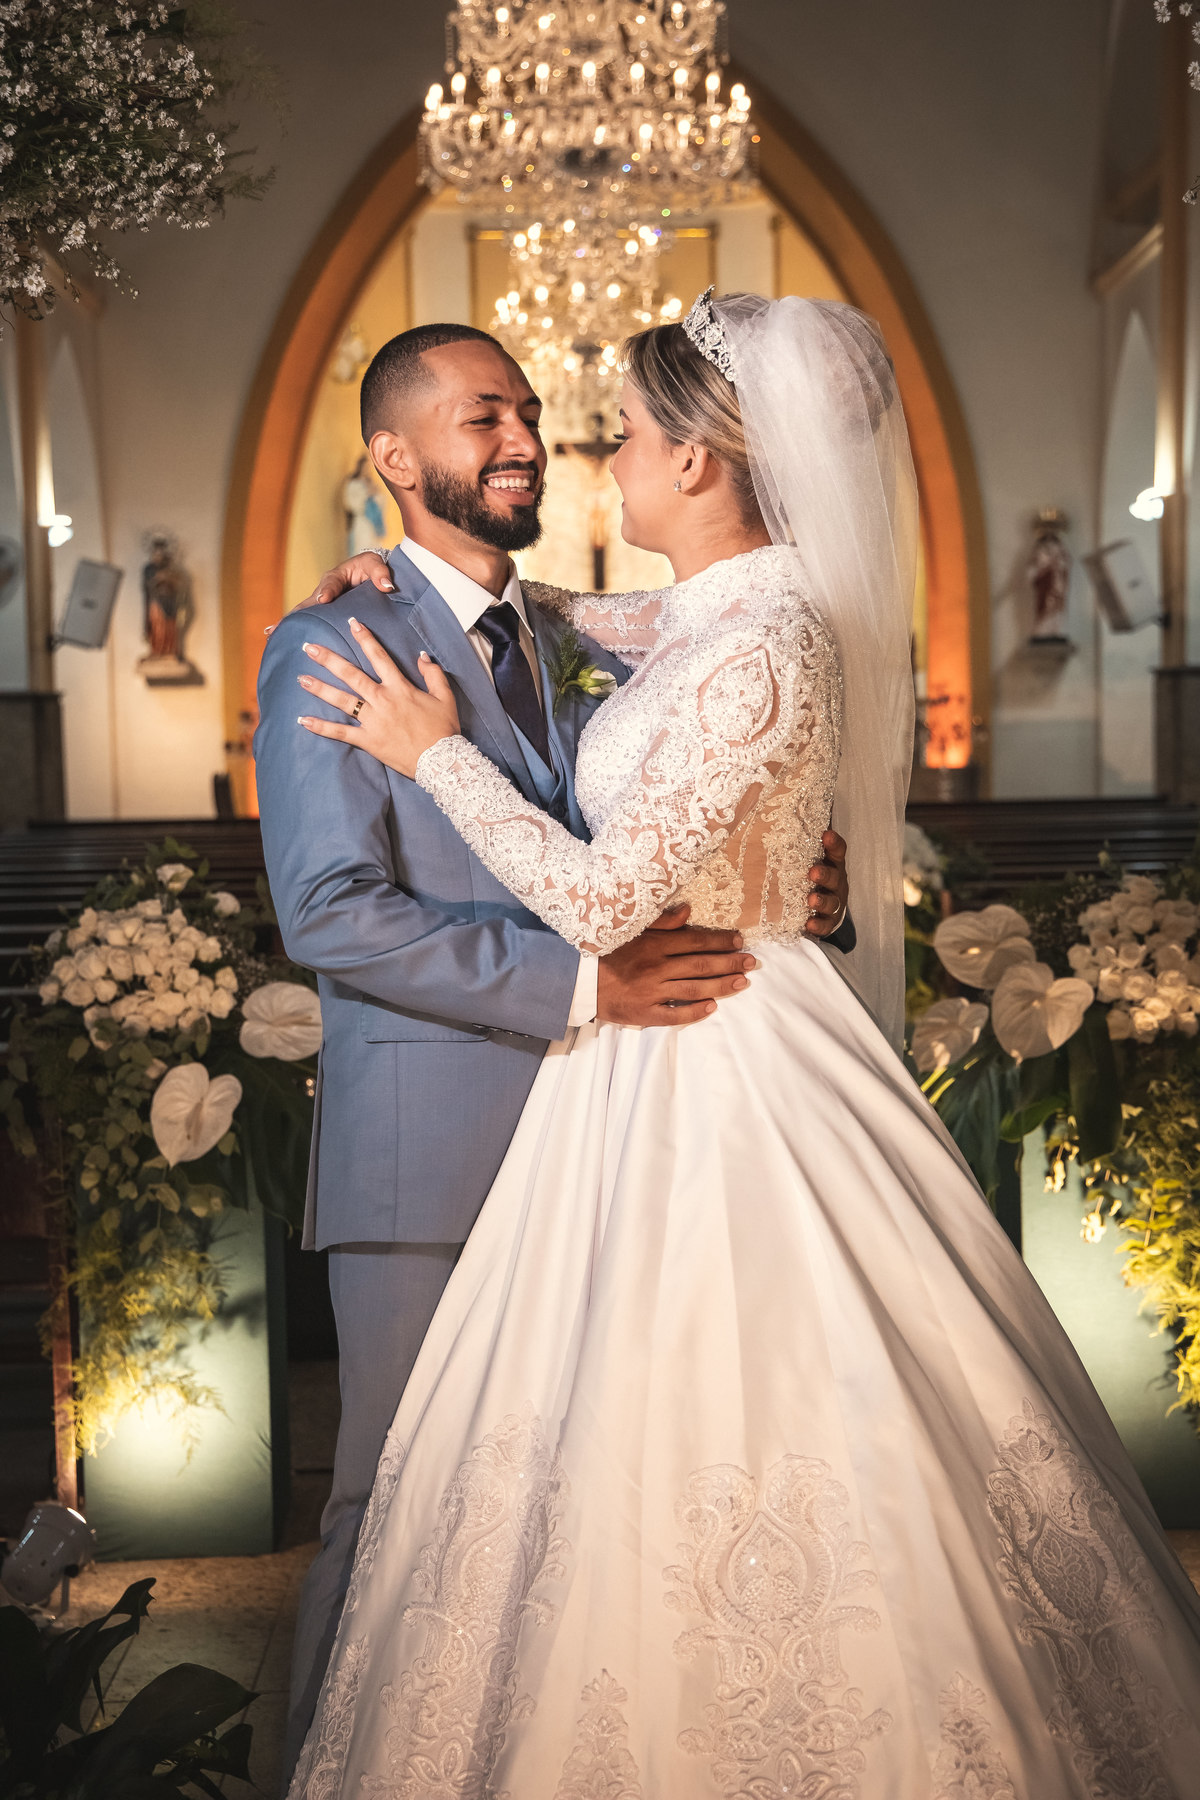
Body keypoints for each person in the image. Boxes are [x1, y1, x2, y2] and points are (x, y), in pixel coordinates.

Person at [282, 291, 1200, 1797]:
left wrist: (428, 746)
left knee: (765, 1397)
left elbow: (603, 894)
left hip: (709, 1041)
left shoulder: (766, 629)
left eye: (626, 435)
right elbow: (565, 626)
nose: (598, 460)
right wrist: (406, 580)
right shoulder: (704, 608)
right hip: (626, 1064)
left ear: (705, 460)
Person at [253, 318, 853, 1787]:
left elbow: (694, 785)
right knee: (400, 1519)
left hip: (628, 1141)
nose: (526, 439)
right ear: (394, 461)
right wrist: (585, 990)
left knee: (580, 1521)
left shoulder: (578, 632)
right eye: (480, 420)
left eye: (530, 408)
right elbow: (330, 912)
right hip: (439, 1147)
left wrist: (786, 888)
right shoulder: (338, 639)